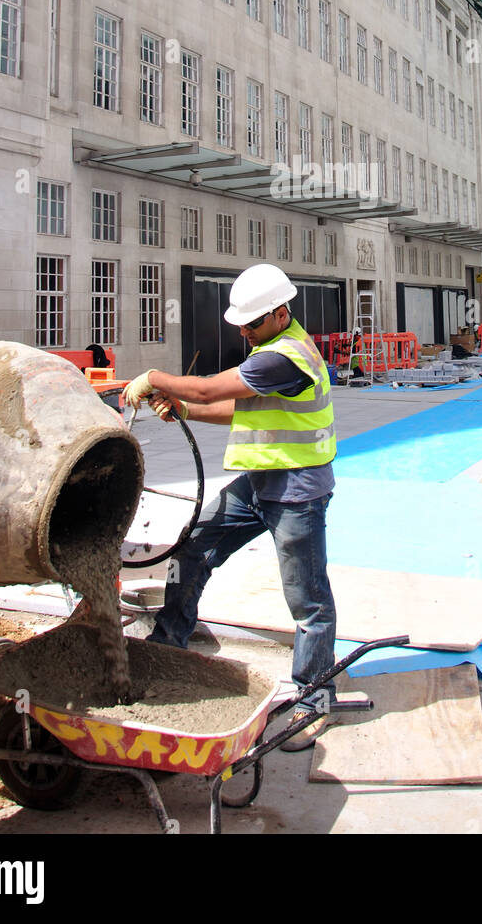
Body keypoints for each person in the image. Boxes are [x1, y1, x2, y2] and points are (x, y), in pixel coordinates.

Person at [122, 264, 337, 751]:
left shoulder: (285, 357)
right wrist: (184, 410)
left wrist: (154, 377)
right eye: (240, 324)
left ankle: (314, 698)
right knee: (193, 547)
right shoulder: (269, 349)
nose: (244, 331)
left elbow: (207, 388)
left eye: (251, 323)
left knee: (308, 599)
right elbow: (239, 407)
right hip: (260, 485)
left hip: (298, 491)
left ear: (280, 313)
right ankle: (168, 646)